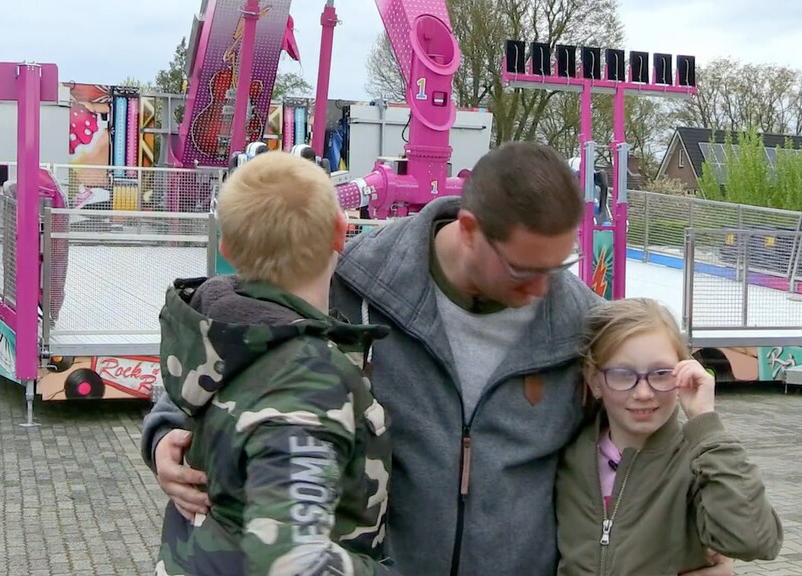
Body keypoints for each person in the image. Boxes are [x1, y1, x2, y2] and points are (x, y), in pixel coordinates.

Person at [143, 142, 736, 576]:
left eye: (557, 268)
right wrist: (166, 431)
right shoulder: (352, 277)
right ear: (471, 230)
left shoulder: (580, 322)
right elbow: (233, 347)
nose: (543, 290)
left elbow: (637, 436)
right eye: (524, 270)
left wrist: (688, 538)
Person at [153, 151, 394, 575]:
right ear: (341, 232)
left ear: (226, 245)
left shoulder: (217, 334)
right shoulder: (306, 379)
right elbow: (294, 561)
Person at [556, 298, 783, 575]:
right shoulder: (568, 457)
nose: (643, 393)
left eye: (661, 373)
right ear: (594, 380)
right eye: (622, 374)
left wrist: (706, 424)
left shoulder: (698, 462)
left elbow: (753, 541)